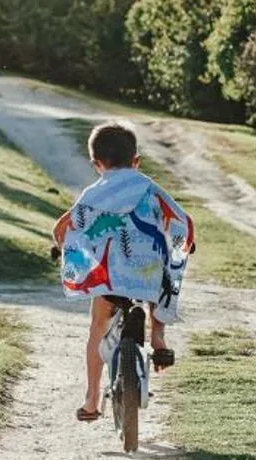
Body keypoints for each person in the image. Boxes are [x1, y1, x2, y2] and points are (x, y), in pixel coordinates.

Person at [54, 122, 195, 423]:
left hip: (111, 278)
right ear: (136, 161)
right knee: (162, 281)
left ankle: (92, 400)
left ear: (96, 164)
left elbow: (67, 227)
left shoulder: (93, 194)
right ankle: (158, 338)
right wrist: (184, 245)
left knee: (97, 328)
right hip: (148, 275)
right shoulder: (149, 188)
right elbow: (181, 219)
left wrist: (64, 248)